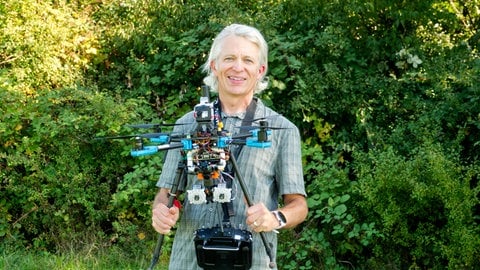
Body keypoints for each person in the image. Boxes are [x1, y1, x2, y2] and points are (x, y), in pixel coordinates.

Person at [151, 23, 308, 269]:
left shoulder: (282, 130)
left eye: (247, 60)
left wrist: (273, 218)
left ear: (260, 69)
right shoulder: (186, 124)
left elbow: (298, 205)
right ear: (214, 65)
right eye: (229, 58)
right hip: (188, 261)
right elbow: (167, 193)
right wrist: (162, 211)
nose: (238, 67)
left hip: (251, 260)